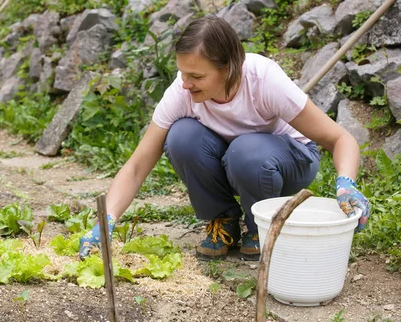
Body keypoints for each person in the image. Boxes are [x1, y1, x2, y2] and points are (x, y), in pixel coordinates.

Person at [79, 16, 370, 260]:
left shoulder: (264, 79)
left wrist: (346, 185)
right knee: (181, 137)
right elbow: (136, 166)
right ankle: (224, 220)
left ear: (229, 67)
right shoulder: (183, 92)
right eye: (182, 72)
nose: (185, 83)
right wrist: (106, 221)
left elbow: (340, 139)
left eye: (196, 75)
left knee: (246, 150)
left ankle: (261, 226)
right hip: (236, 160)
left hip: (289, 159)